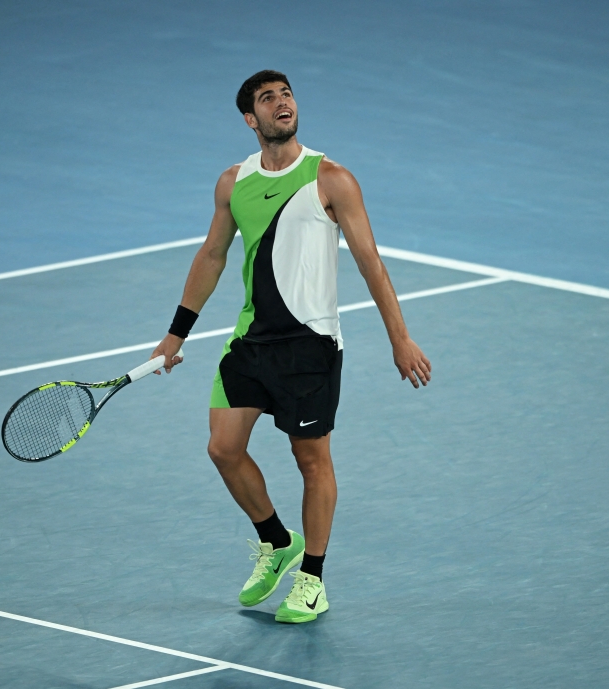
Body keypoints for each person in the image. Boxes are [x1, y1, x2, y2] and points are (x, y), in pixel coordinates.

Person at [151, 70, 431, 624]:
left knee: (312, 459)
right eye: (267, 99)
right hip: (251, 341)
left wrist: (400, 338)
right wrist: (175, 334)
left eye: (287, 94)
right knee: (223, 449)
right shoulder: (233, 182)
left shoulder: (332, 179)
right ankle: (278, 543)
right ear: (251, 120)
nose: (283, 103)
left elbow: (370, 262)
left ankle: (313, 579)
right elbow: (212, 256)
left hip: (310, 344)